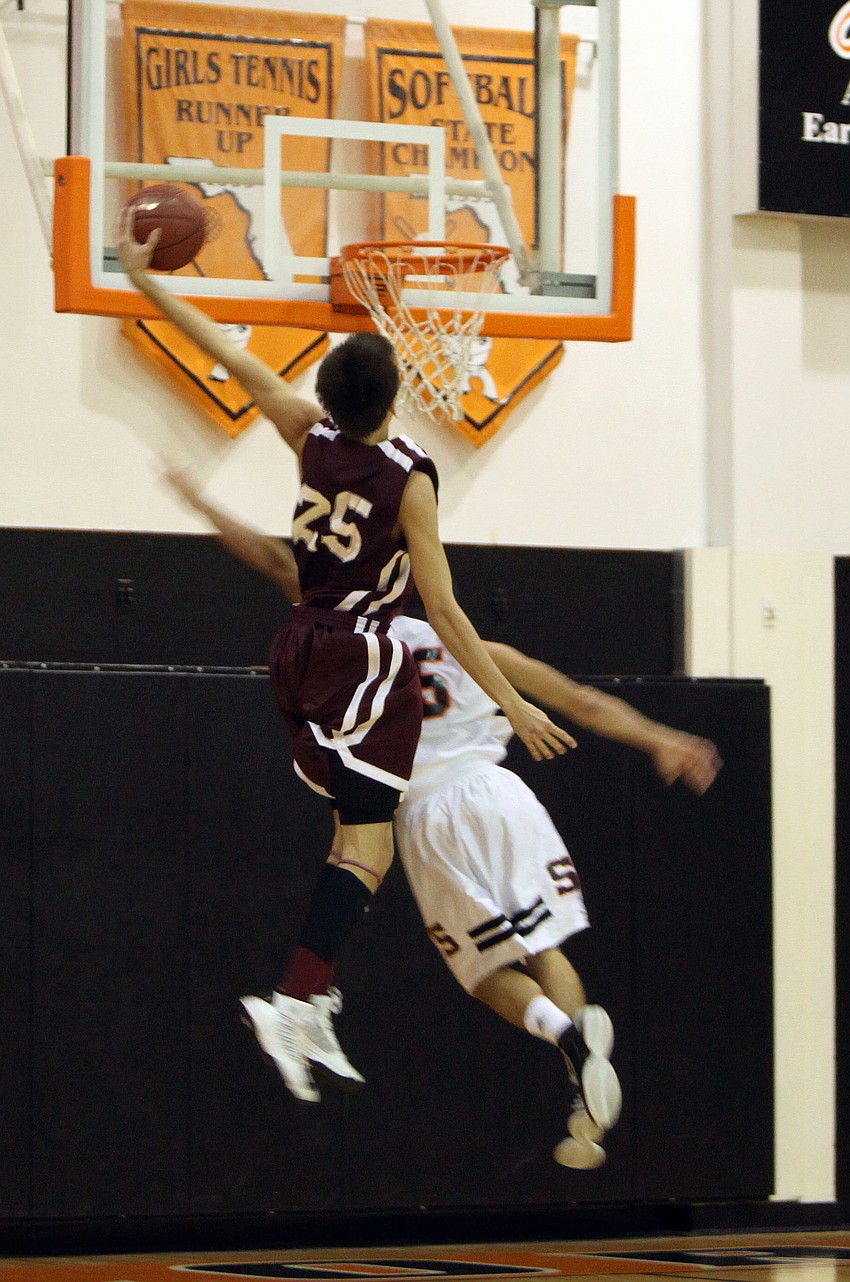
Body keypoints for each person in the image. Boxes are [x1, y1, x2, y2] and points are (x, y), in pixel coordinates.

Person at [118, 217, 574, 1108]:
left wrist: (146, 281)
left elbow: (226, 351)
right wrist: (513, 706)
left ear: (328, 397)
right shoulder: (410, 477)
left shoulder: (307, 435)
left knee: (358, 837)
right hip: (363, 661)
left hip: (297, 648)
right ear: (396, 396)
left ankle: (307, 993)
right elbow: (441, 608)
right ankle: (292, 1003)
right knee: (367, 847)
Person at [158, 465, 722, 1167]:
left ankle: (568, 1039)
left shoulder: (345, 635)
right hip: (501, 794)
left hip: (427, 816)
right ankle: (581, 1067)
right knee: (546, 946)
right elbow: (581, 701)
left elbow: (275, 558)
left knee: (486, 976)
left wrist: (201, 503)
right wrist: (661, 738)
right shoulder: (473, 648)